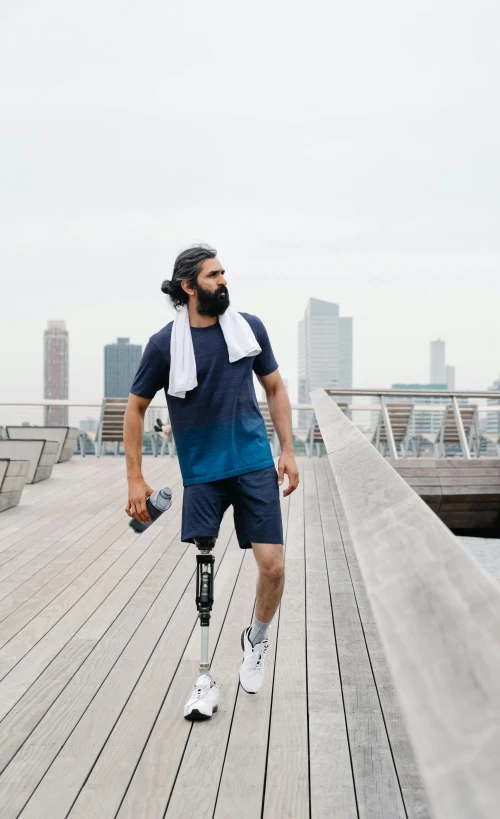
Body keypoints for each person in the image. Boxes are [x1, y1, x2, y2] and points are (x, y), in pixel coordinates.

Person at [124, 244, 299, 719]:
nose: (224, 281)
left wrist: (286, 450)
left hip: (252, 463)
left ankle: (256, 639)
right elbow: (136, 407)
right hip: (202, 472)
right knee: (204, 570)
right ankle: (204, 678)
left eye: (224, 273)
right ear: (188, 286)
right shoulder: (164, 344)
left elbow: (276, 387)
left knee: (273, 568)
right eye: (213, 275)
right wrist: (135, 478)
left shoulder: (248, 328)